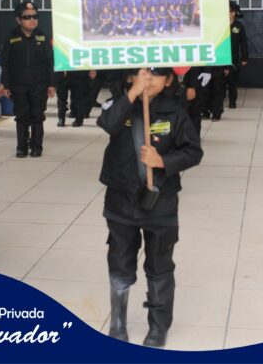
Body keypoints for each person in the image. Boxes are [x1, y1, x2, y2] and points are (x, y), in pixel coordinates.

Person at [97, 67, 203, 348]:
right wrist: (132, 94)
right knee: (119, 261)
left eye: (156, 73)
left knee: (160, 264)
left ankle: (158, 326)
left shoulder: (175, 112)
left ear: (168, 80)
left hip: (160, 203)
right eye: (141, 72)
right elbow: (108, 124)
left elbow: (194, 152)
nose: (148, 78)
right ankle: (118, 323)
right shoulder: (118, 105)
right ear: (129, 76)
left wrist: (163, 161)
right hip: (120, 201)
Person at [2, 1, 55, 156]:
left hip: (39, 84)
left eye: (35, 16)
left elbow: (50, 61)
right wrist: (6, 85)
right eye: (27, 17)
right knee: (21, 115)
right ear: (18, 20)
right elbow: (5, 63)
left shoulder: (42, 36)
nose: (32, 20)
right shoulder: (11, 37)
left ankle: (37, 146)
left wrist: (52, 84)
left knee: (37, 115)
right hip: (18, 85)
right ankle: (22, 147)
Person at [226, 1, 249, 108]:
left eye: (228, 11)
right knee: (220, 81)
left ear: (233, 13)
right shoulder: (220, 26)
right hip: (221, 57)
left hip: (234, 57)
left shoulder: (238, 26)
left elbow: (243, 42)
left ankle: (232, 101)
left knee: (232, 81)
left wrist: (244, 57)